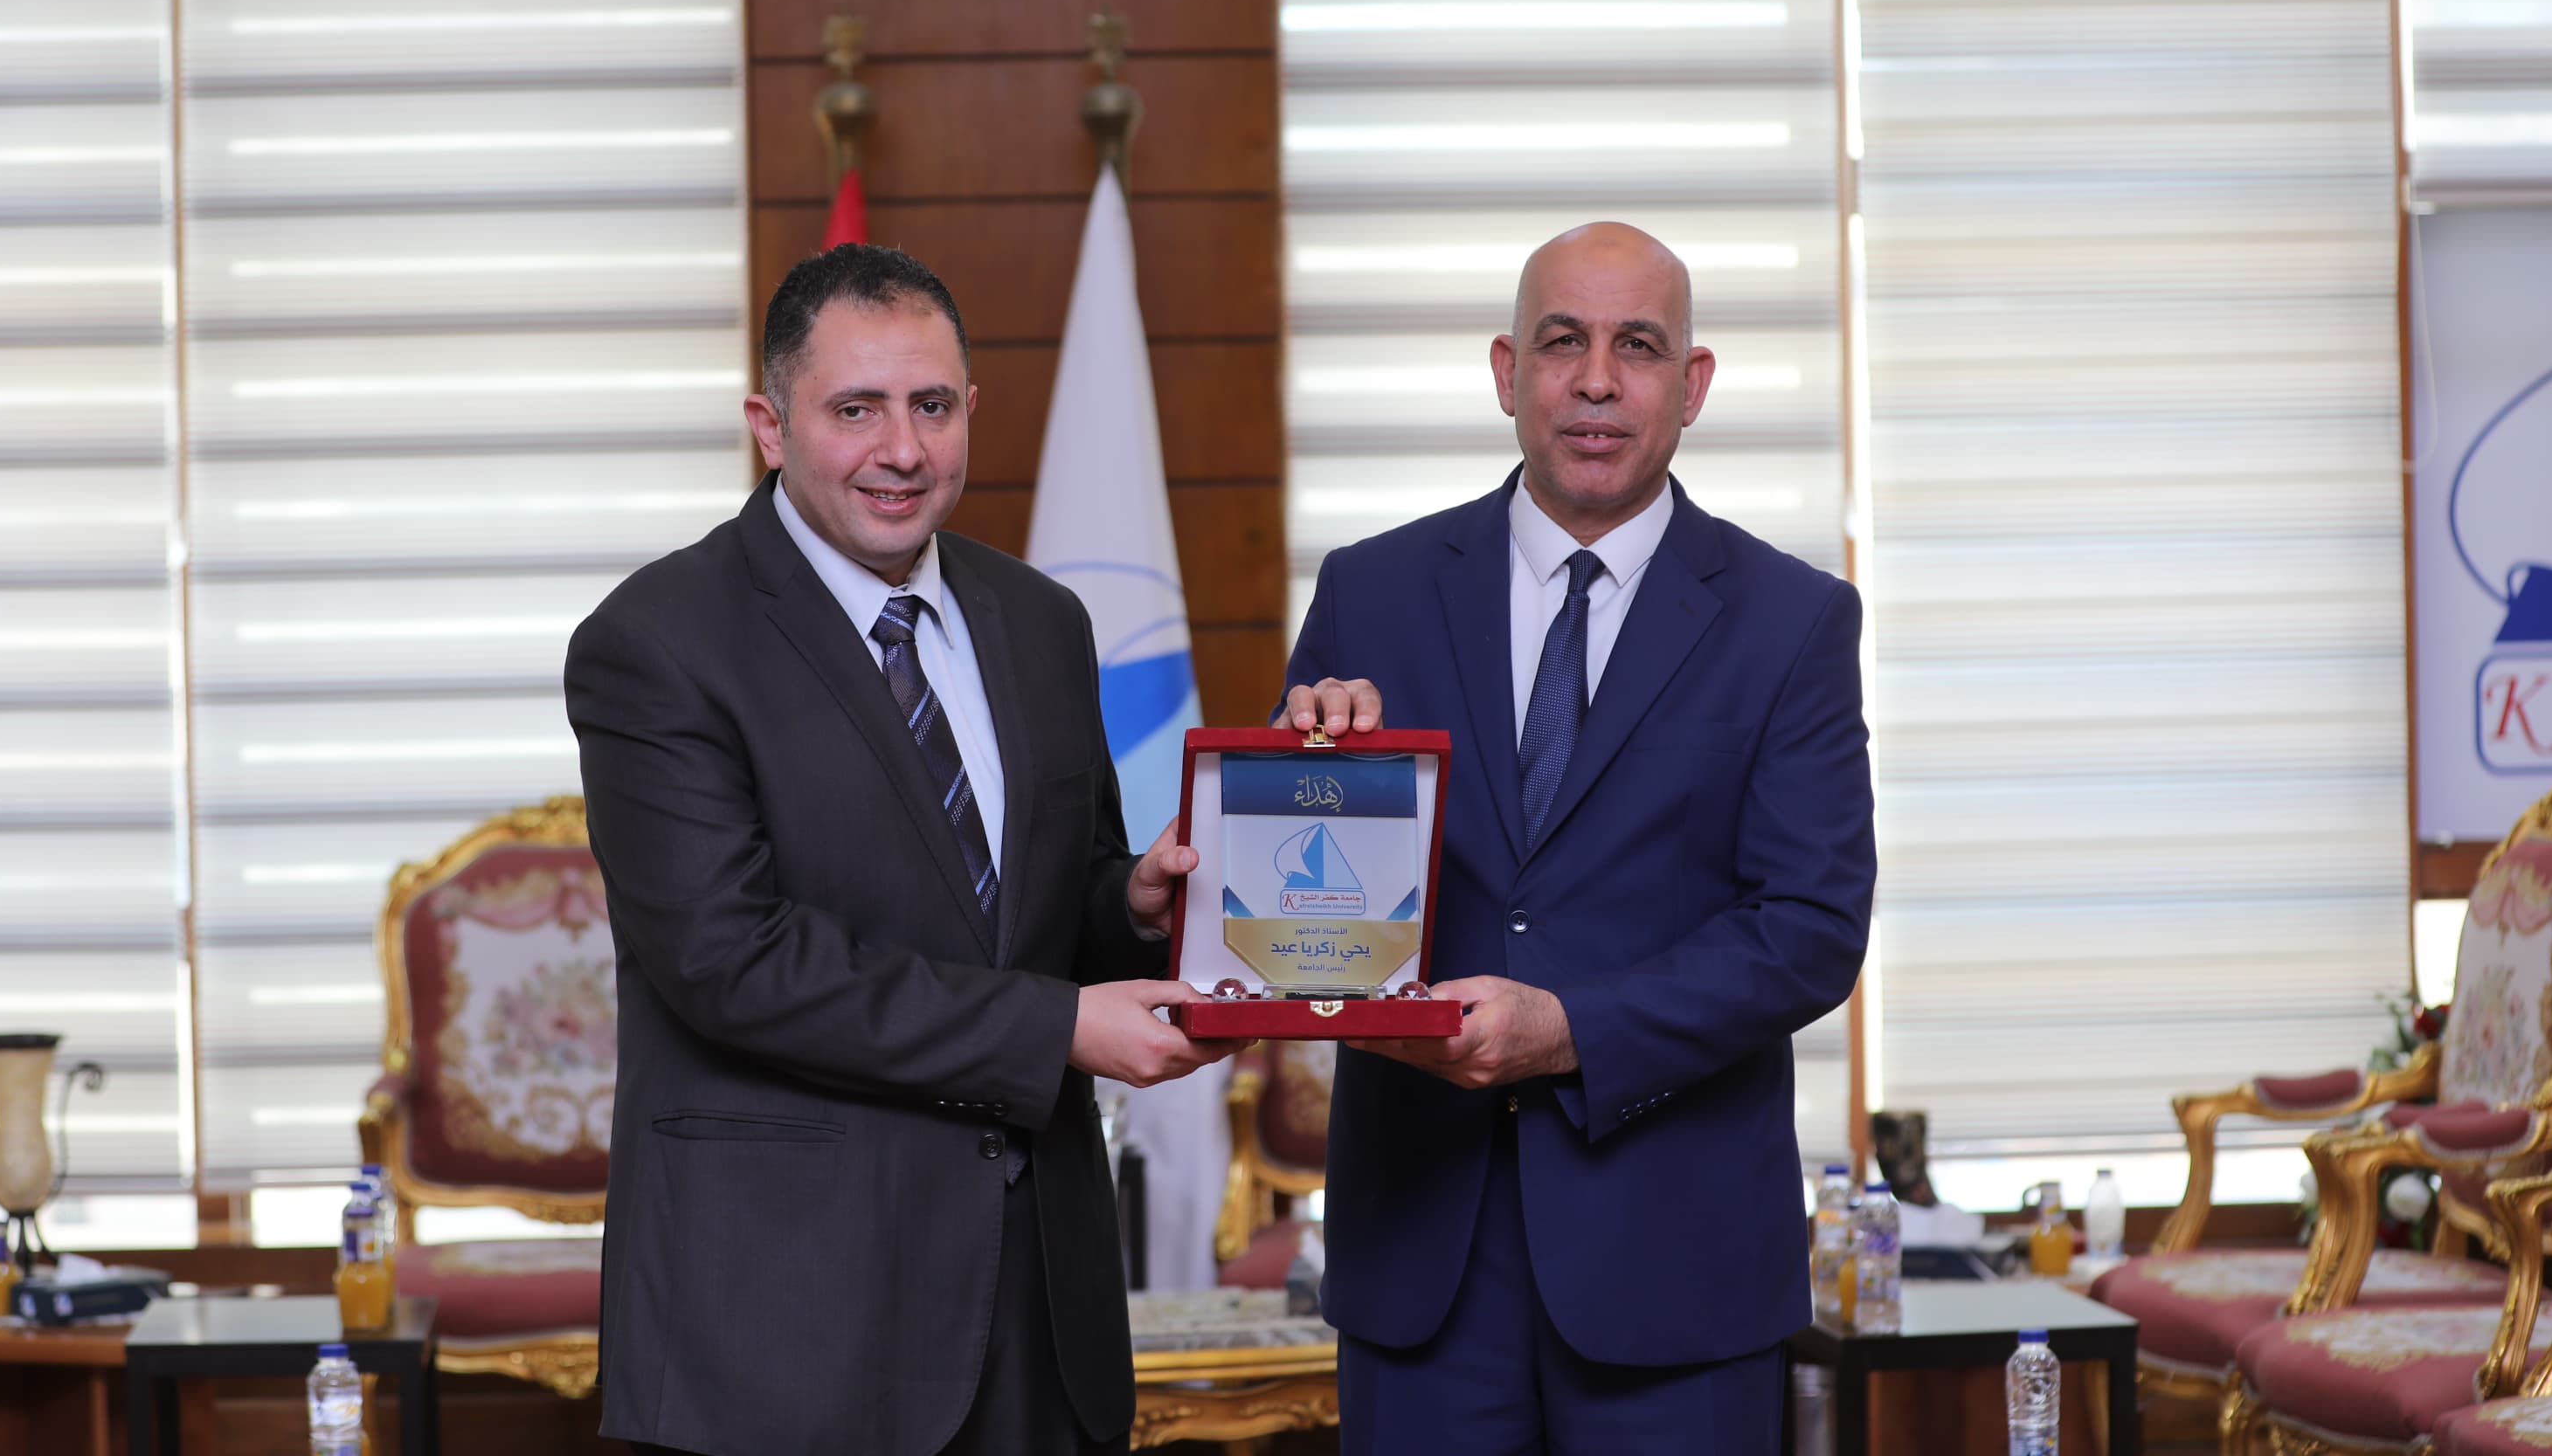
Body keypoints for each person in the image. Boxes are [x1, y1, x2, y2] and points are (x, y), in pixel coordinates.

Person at [566, 244, 1227, 1456]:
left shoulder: (1041, 620)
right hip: (790, 1321)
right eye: (855, 410)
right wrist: (1057, 1030)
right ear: (770, 426)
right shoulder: (657, 642)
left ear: (971, 408)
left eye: (931, 405)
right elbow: (731, 963)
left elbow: (1038, 914)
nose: (904, 449)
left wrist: (1132, 902)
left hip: (1039, 1303)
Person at [1281, 220, 1877, 1453]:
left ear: (1691, 385)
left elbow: (1811, 929)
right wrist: (1306, 785)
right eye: (1563, 342)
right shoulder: (1369, 592)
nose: (1597, 380)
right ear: (1508, 372)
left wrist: (1570, 1031)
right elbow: (1298, 910)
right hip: (1422, 1266)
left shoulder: (1793, 622)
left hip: (1680, 1275)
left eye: (1638, 346)